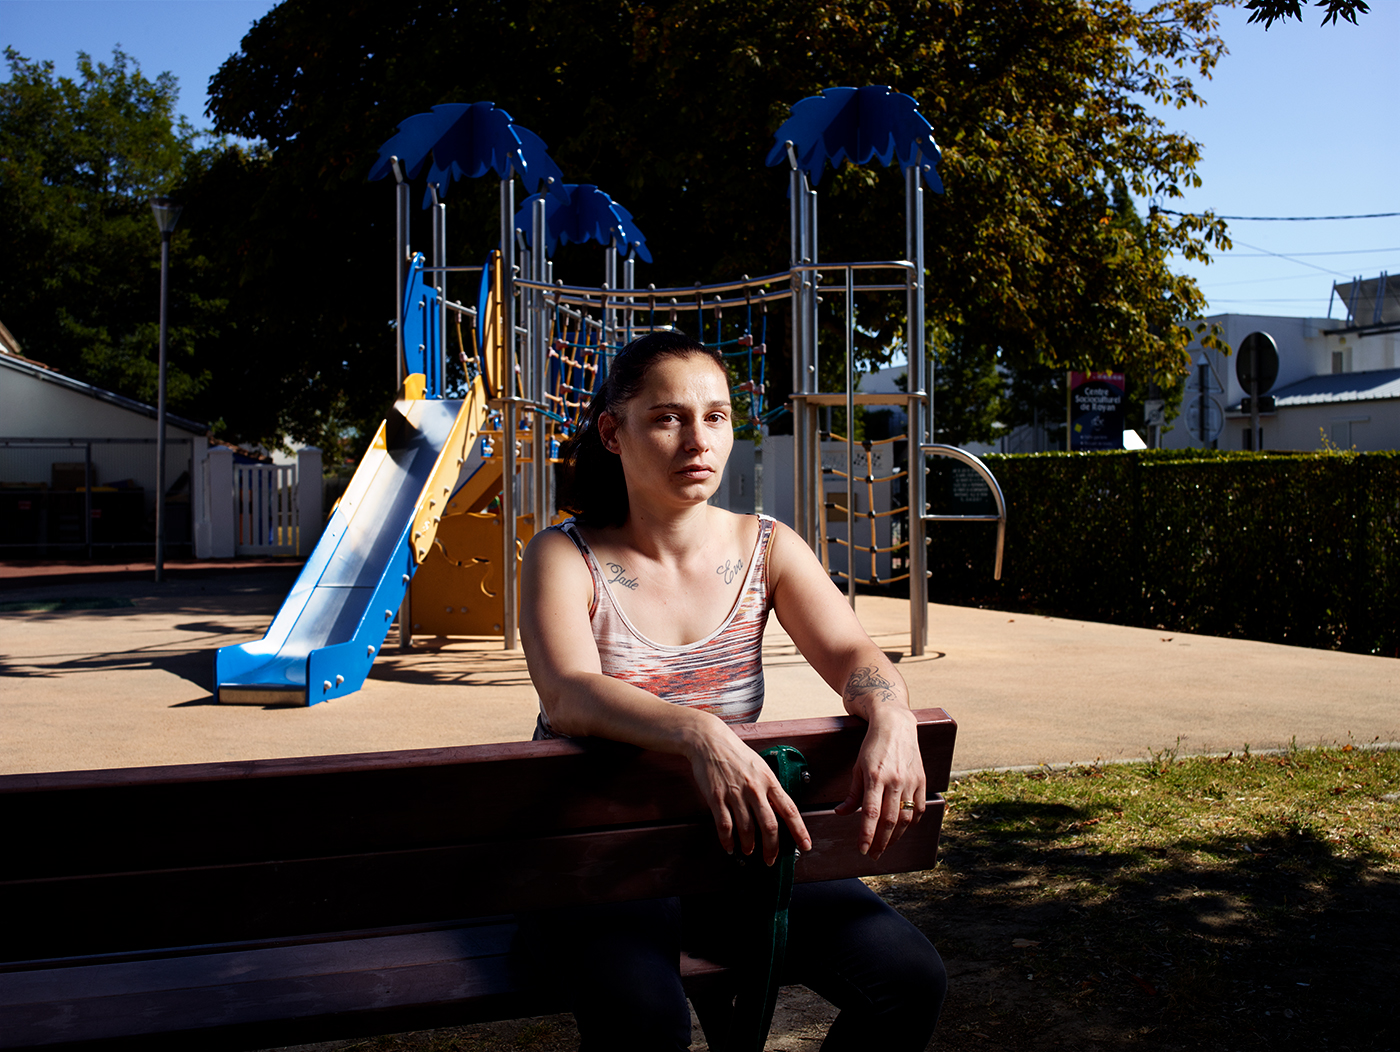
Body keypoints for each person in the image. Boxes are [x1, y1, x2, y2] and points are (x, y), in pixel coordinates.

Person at [518, 330, 946, 1051]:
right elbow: (569, 694)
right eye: (668, 417)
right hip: (604, 859)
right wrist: (699, 731)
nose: (698, 439)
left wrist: (892, 710)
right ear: (613, 433)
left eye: (716, 416)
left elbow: (852, 652)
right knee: (648, 1022)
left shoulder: (767, 545)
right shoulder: (564, 554)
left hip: (728, 851)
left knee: (908, 977)